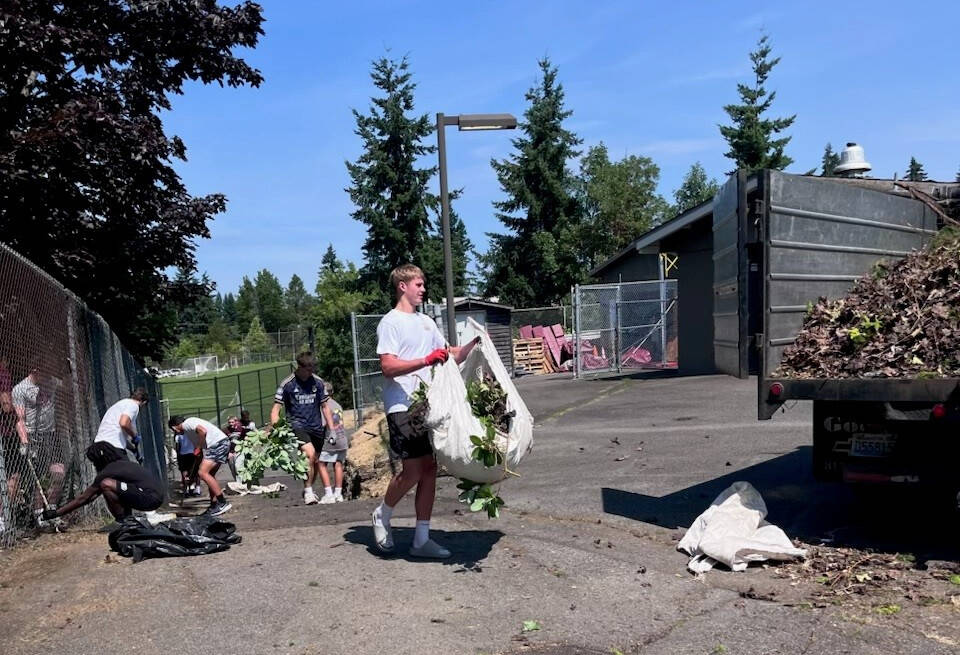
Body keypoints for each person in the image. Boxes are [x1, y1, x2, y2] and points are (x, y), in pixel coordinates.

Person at [371, 264, 480, 557]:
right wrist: (425, 360)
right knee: (412, 471)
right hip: (402, 406)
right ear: (402, 286)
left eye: (423, 284)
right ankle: (382, 514)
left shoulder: (426, 323)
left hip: (427, 405)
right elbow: (388, 367)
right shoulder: (390, 323)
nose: (423, 289)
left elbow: (449, 355)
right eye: (418, 284)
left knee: (430, 469)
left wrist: (474, 344)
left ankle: (421, 539)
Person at [270, 352, 337, 505]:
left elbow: (325, 406)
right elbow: (275, 410)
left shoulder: (318, 382)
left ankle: (309, 488)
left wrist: (332, 429)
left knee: (315, 460)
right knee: (309, 454)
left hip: (316, 427)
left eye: (313, 367)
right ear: (300, 367)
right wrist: (276, 431)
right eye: (308, 368)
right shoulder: (287, 384)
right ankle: (308, 492)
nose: (311, 371)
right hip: (297, 425)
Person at [41, 442, 162, 523]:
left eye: (94, 461)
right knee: (112, 486)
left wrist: (56, 513)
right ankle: (127, 519)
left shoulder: (108, 471)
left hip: (149, 498)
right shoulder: (122, 465)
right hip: (153, 497)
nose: (94, 465)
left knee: (107, 484)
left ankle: (123, 521)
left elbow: (83, 499)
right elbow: (91, 497)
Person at [12, 359, 65, 509]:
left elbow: (67, 386)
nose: (48, 375)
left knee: (59, 473)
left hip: (51, 433)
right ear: (35, 370)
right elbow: (20, 419)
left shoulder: (51, 381)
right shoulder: (20, 389)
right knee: (40, 477)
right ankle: (39, 511)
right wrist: (24, 441)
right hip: (34, 435)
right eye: (44, 371)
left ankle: (52, 507)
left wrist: (69, 368)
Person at [168, 416, 232, 516]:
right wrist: (192, 475)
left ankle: (222, 502)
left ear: (174, 427)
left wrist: (198, 448)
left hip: (218, 444)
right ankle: (214, 504)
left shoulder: (187, 424)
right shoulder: (189, 433)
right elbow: (199, 455)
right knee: (209, 474)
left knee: (203, 473)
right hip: (220, 444)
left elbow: (203, 431)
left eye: (173, 430)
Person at [92, 388, 150, 462]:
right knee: (128, 472)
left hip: (98, 447)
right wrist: (134, 436)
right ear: (144, 402)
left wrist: (133, 450)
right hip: (112, 448)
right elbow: (123, 423)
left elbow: (118, 435)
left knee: (110, 472)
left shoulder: (121, 404)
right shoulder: (134, 405)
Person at [316, 382, 348, 504]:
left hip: (330, 438)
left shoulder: (324, 406)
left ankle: (328, 493)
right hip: (342, 438)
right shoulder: (338, 405)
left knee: (321, 463)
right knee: (338, 464)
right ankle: (338, 494)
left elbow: (324, 423)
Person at [174, 429, 202, 498]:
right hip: (184, 455)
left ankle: (196, 488)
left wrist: (198, 452)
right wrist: (179, 457)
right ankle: (187, 489)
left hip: (192, 454)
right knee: (185, 472)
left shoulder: (191, 434)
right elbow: (178, 447)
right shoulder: (178, 436)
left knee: (195, 471)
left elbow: (197, 443)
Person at [223, 416, 250, 481]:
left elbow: (248, 437)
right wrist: (228, 453)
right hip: (230, 453)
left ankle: (240, 484)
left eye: (232, 422)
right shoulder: (226, 430)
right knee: (233, 469)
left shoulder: (241, 429)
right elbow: (224, 443)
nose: (231, 424)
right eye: (229, 422)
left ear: (236, 422)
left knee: (238, 467)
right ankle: (237, 483)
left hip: (239, 451)